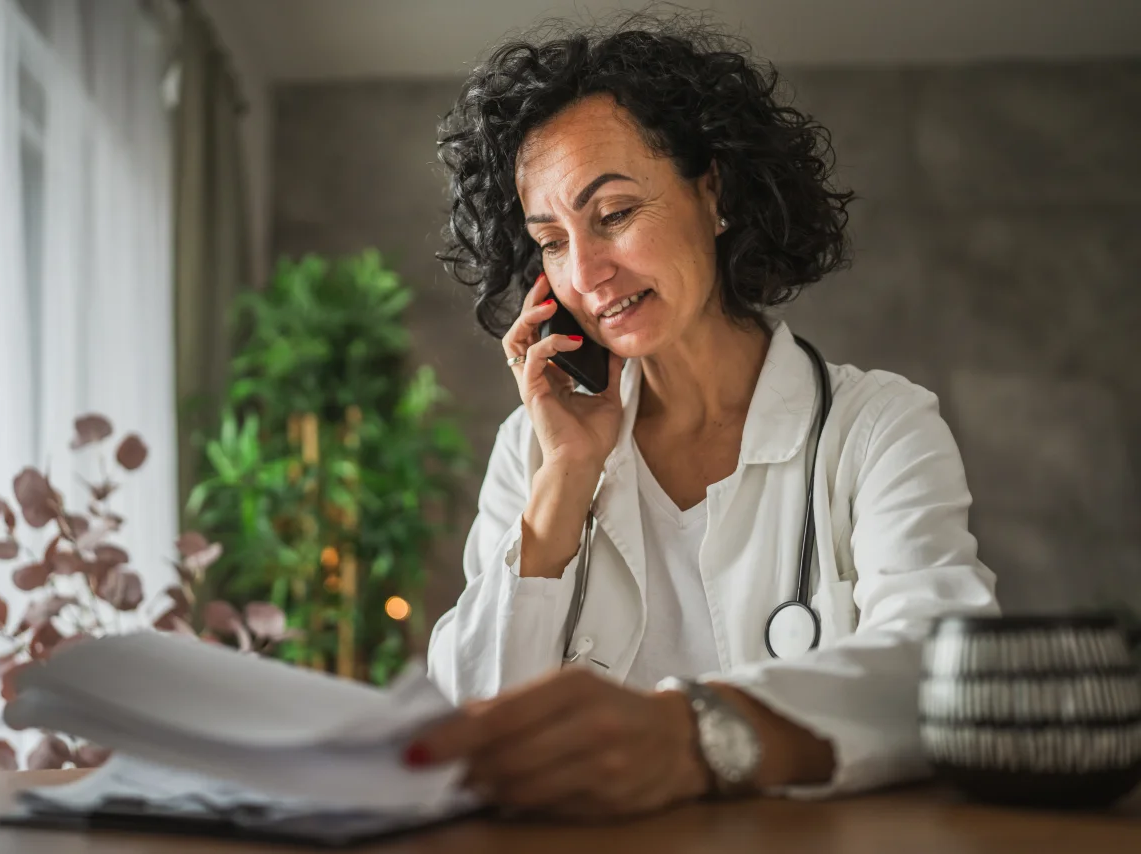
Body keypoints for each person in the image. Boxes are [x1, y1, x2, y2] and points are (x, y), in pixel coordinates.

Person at [411, 14, 998, 818]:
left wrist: (691, 737)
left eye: (613, 214)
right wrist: (564, 485)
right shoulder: (536, 448)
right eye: (551, 240)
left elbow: (944, 667)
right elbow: (470, 725)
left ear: (712, 192)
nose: (586, 272)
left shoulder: (876, 428)